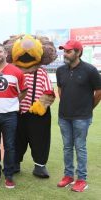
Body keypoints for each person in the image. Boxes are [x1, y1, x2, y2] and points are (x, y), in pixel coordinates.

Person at [56, 40, 101, 192]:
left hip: (82, 117)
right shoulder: (60, 70)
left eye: (68, 51)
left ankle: (81, 179)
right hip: (64, 116)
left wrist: (88, 108)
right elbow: (61, 90)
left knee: (80, 147)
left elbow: (98, 92)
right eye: (64, 51)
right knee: (67, 147)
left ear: (78, 52)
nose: (65, 53)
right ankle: (68, 176)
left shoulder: (90, 70)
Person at [0, 43, 27, 188]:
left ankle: (9, 175)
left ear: (5, 53)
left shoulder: (16, 72)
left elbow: (23, 91)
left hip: (10, 116)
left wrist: (13, 102)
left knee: (10, 146)